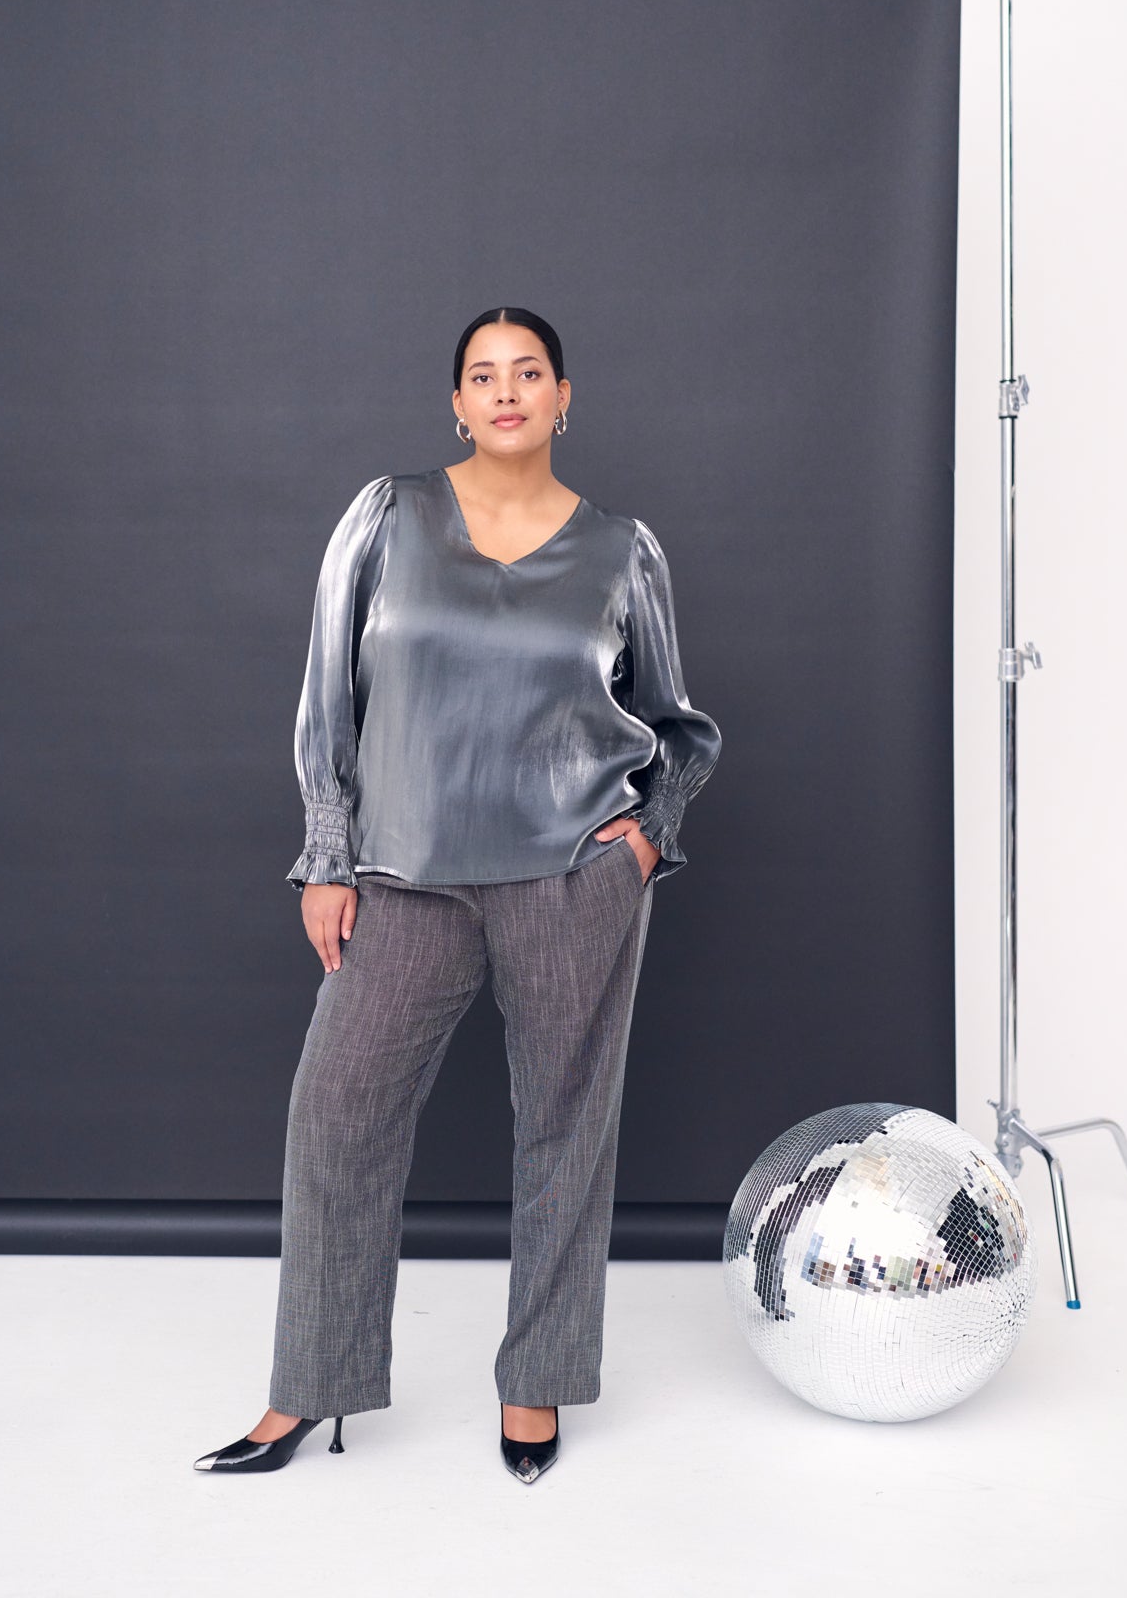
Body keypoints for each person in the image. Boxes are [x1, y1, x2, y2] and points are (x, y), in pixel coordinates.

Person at [193, 306, 722, 1483]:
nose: (507, 391)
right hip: (405, 878)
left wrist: (646, 842)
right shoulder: (387, 517)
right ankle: (308, 1387)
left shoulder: (622, 550)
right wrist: (326, 857)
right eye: (484, 375)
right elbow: (329, 696)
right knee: (337, 1115)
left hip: (574, 876)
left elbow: (675, 724)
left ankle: (537, 1385)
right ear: (457, 403)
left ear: (564, 397)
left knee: (566, 1131)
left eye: (529, 372)